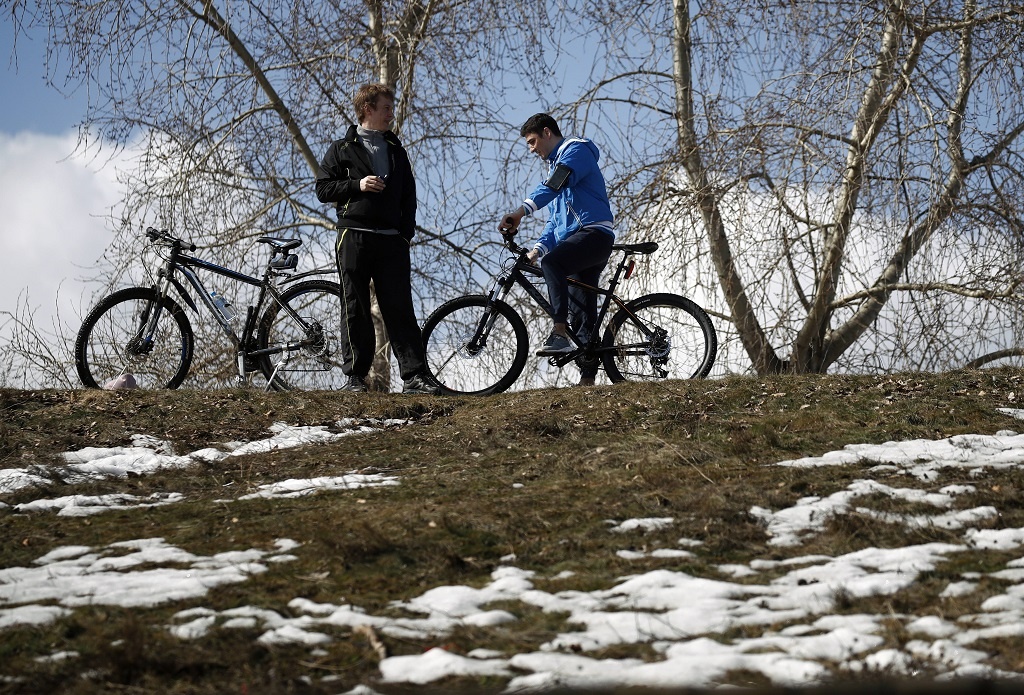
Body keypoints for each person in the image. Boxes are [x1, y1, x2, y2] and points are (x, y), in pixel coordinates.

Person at [315, 83, 438, 394]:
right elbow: (323, 189)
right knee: (354, 307)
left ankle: (413, 378)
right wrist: (358, 185)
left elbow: (409, 196)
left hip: (392, 242)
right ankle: (355, 378)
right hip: (353, 236)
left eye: (391, 108)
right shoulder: (341, 148)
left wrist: (405, 235)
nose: (391, 114)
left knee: (399, 308)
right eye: (386, 108)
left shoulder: (397, 150)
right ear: (368, 109)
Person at [498, 113, 615, 386]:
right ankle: (587, 380)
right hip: (577, 241)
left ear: (547, 132)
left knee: (553, 265)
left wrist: (520, 211)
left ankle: (558, 333)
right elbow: (555, 221)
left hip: (594, 234)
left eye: (532, 141)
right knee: (581, 314)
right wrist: (537, 250)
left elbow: (557, 183)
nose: (531, 149)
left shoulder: (576, 150)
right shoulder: (555, 170)